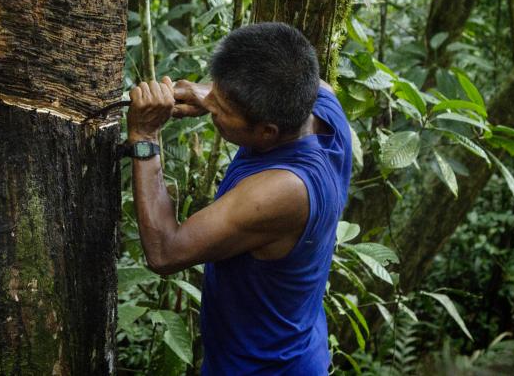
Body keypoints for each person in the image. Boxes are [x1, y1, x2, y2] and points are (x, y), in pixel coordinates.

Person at [125, 22, 352, 375]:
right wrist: (209, 93)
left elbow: (165, 252)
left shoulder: (281, 191)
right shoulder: (321, 105)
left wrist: (145, 136)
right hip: (290, 344)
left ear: (266, 131)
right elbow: (317, 83)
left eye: (222, 108)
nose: (211, 105)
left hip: (266, 368)